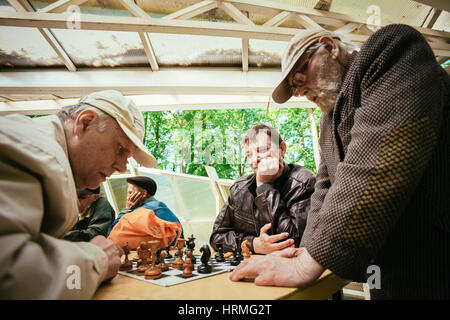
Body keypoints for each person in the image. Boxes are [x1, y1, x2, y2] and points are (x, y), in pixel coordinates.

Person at [230, 24, 450, 299]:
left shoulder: (390, 50)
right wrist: (307, 251)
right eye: (292, 87)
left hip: (438, 254)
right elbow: (324, 191)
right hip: (390, 266)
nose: (298, 91)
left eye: (300, 75)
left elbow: (375, 163)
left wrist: (305, 265)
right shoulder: (327, 120)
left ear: (329, 47)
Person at [0, 90, 157, 299]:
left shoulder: (41, 152)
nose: (122, 167)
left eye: (127, 157)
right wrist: (97, 259)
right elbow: (11, 279)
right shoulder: (31, 153)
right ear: (85, 123)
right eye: (120, 149)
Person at [210, 124, 315, 254]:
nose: (255, 160)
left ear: (282, 149)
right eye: (249, 154)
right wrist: (253, 244)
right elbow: (216, 238)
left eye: (263, 150)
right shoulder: (239, 188)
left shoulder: (304, 182)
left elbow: (295, 241)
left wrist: (264, 186)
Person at [107, 176, 184, 245]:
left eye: (130, 193)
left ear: (144, 194)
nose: (127, 197)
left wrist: (127, 209)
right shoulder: (163, 207)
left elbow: (112, 236)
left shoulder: (141, 212)